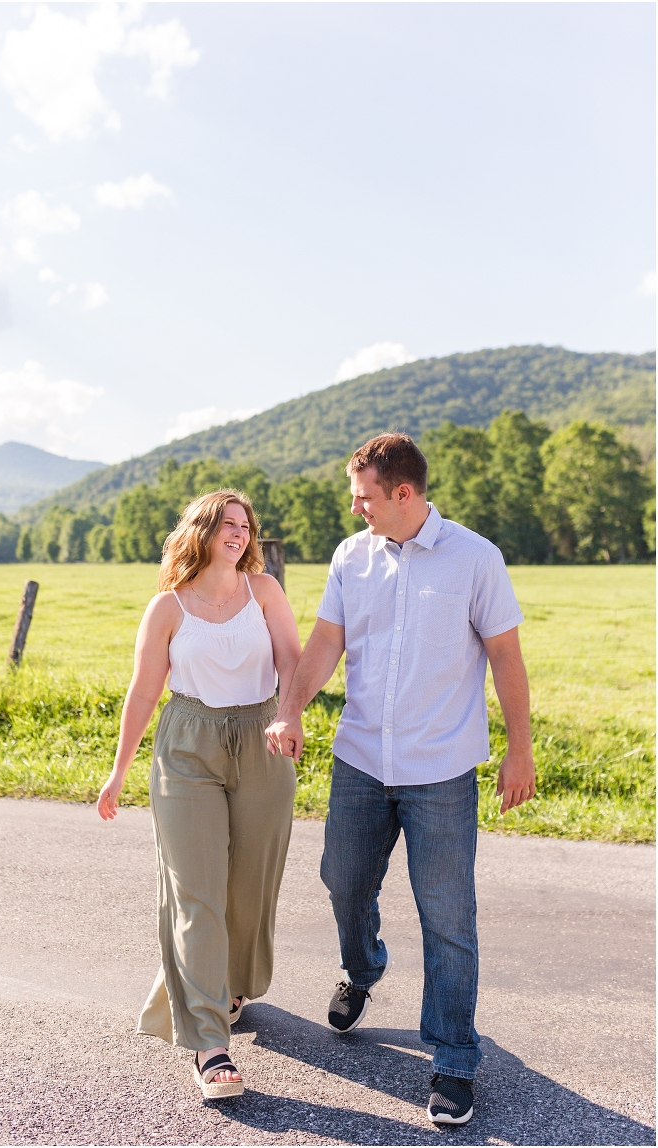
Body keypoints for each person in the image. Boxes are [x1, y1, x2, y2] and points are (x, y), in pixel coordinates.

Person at [266, 433, 535, 1127]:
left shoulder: (474, 558)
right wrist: (290, 709)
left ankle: (452, 1061)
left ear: (403, 494)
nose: (356, 507)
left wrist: (520, 751)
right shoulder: (352, 557)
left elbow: (505, 655)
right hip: (360, 757)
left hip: (440, 768)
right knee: (342, 879)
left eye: (364, 496)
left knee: (448, 919)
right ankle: (362, 969)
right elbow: (327, 640)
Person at [97, 490, 301, 1099]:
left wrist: (290, 716)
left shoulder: (263, 592)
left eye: (245, 526)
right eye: (227, 525)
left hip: (261, 737)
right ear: (202, 532)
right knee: (196, 890)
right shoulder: (168, 607)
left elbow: (292, 659)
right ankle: (211, 1045)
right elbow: (143, 692)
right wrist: (118, 772)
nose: (239, 534)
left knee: (249, 885)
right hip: (186, 745)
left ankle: (230, 983)